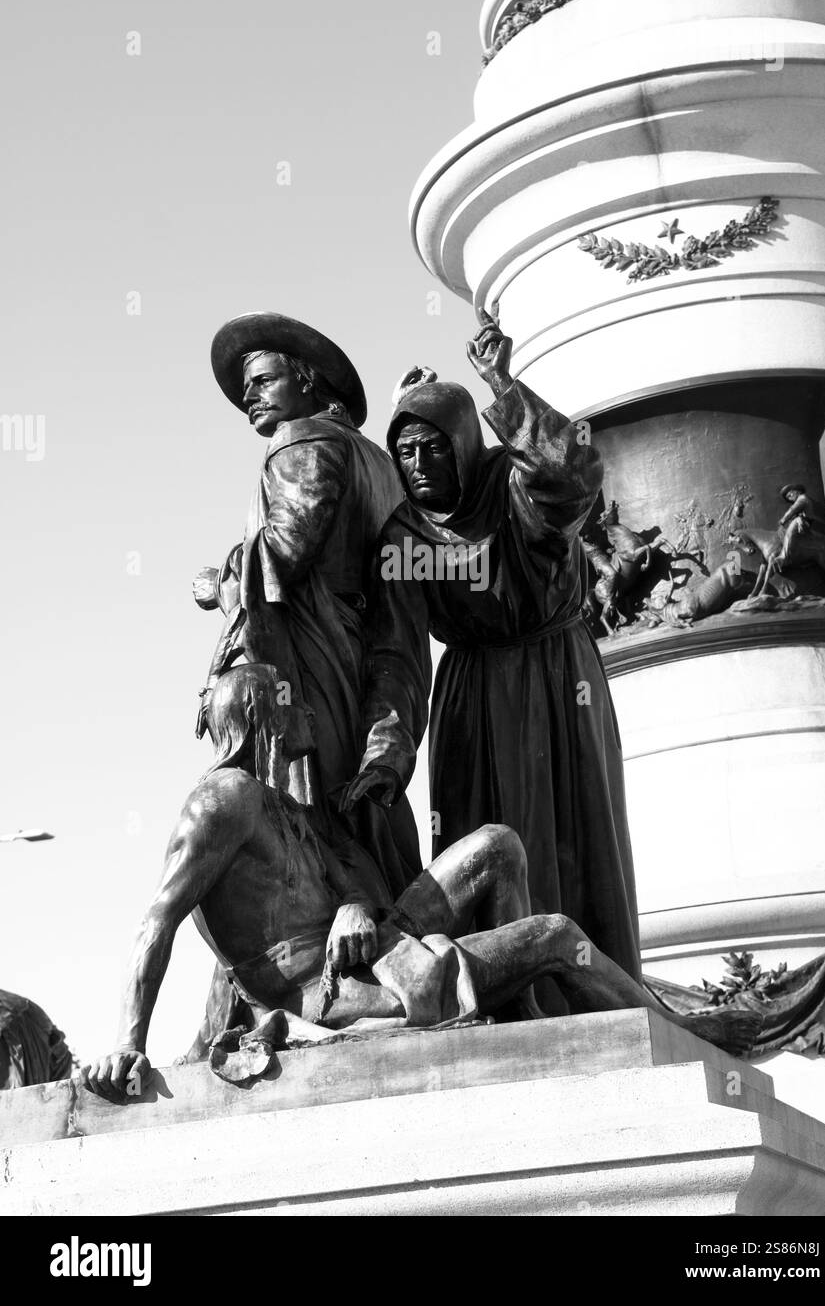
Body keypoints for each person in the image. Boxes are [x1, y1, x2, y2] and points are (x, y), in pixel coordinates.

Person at [80, 665, 755, 1101]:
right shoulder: (223, 800)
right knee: (554, 935)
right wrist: (127, 1045)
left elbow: (323, 902)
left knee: (497, 847)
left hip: (373, 953)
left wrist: (354, 907)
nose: (315, 714)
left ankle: (526, 1024)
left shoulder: (287, 806)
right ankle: (688, 1033)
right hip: (342, 995)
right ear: (270, 715)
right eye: (299, 702)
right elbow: (158, 920)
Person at [344, 314, 642, 1010]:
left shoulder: (514, 486)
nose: (417, 466)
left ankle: (594, 999)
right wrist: (385, 753)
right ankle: (501, 999)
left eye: (432, 449)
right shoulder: (406, 533)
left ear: (463, 443)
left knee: (573, 842)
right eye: (405, 452)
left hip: (556, 676)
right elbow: (396, 653)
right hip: (470, 697)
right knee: (482, 841)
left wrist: (503, 388)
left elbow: (577, 474)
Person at [196, 311, 419, 902]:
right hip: (359, 650)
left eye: (264, 382)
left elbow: (288, 547)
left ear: (309, 382)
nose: (251, 399)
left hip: (312, 657)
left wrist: (224, 575)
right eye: (246, 391)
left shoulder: (301, 441)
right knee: (360, 819)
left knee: (312, 813)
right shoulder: (375, 457)